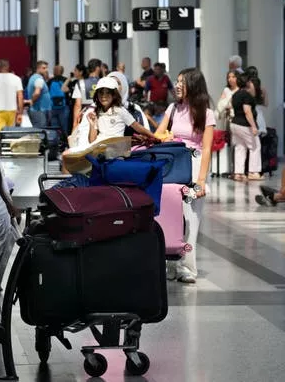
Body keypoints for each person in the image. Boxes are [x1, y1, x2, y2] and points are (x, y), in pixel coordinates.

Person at [154, 68, 215, 284]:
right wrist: (165, 136)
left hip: (194, 165)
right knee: (170, 216)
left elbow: (207, 149)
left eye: (182, 82)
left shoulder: (206, 113)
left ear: (194, 85)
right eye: (177, 81)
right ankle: (170, 264)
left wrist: (201, 180)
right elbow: (158, 134)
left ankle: (187, 267)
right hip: (173, 166)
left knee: (190, 219)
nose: (177, 85)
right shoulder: (172, 108)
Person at [85, 77, 156, 144]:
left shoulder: (120, 110)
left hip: (116, 150)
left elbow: (136, 126)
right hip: (99, 148)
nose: (104, 96)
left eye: (108, 92)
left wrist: (154, 137)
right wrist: (92, 124)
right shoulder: (97, 112)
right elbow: (92, 141)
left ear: (114, 94)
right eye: (101, 92)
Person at [230, 75, 263, 182]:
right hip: (244, 125)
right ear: (247, 83)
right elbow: (247, 111)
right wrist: (253, 126)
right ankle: (253, 172)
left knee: (240, 147)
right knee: (255, 146)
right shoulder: (247, 95)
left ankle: (238, 173)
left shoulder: (235, 95)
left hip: (234, 124)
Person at [71, 58, 102, 130]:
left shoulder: (80, 83)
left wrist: (75, 124)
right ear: (97, 68)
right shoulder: (104, 82)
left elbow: (77, 105)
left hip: (86, 115)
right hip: (102, 114)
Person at [26, 61, 52, 128]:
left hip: (40, 110)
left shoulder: (35, 77)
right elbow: (37, 93)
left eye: (46, 68)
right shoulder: (38, 79)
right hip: (39, 110)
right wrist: (32, 101)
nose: (46, 70)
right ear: (38, 68)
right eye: (44, 68)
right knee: (40, 132)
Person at [48, 65, 70, 135]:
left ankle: (55, 143)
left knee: (54, 128)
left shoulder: (50, 81)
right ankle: (66, 143)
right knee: (65, 127)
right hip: (64, 107)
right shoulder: (66, 80)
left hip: (52, 107)